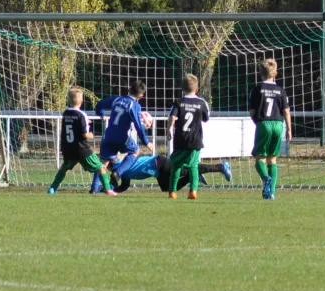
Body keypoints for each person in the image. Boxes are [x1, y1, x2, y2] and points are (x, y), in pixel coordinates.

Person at [47, 88, 116, 196]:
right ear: (82, 101)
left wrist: (84, 123)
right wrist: (91, 134)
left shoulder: (65, 113)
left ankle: (52, 189)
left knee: (64, 168)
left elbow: (72, 126)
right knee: (100, 167)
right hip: (82, 149)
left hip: (68, 148)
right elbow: (85, 134)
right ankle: (108, 189)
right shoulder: (82, 115)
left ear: (68, 100)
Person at [93, 80, 153, 187]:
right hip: (122, 137)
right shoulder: (134, 105)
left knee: (103, 163)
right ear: (141, 95)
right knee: (135, 151)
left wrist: (101, 115)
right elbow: (139, 126)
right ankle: (118, 173)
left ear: (130, 89)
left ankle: (94, 188)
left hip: (108, 135)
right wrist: (146, 142)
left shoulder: (117, 99)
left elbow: (99, 105)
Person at [249, 59, 292, 200]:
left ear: (260, 73)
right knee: (272, 159)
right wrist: (289, 129)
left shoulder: (257, 89)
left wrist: (259, 124)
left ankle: (266, 178)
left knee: (259, 158)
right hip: (278, 125)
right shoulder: (281, 91)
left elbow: (252, 113)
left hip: (264, 124)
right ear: (276, 73)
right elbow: (286, 111)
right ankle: (270, 192)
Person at [90, 154, 232, 193]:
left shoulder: (119, 169)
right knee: (167, 189)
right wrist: (111, 190)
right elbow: (124, 186)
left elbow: (116, 181)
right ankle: (190, 177)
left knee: (192, 168)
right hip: (159, 170)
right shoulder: (122, 170)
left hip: (160, 163)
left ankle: (221, 166)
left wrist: (106, 188)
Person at [167, 74, 210, 200]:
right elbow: (206, 119)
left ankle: (172, 192)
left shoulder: (178, 102)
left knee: (176, 165)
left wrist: (169, 128)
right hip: (195, 140)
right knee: (194, 166)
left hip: (180, 138)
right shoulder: (202, 103)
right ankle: (193, 191)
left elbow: (172, 117)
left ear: (182, 89)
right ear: (197, 89)